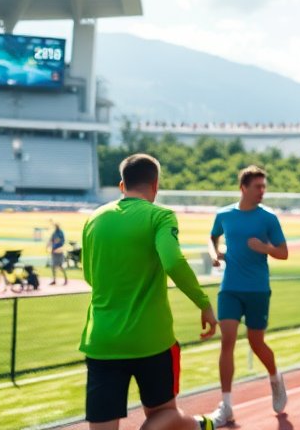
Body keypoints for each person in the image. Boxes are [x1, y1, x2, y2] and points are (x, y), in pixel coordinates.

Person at [80, 153, 218, 430]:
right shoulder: (160, 216)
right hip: (152, 340)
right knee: (164, 413)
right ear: (155, 185)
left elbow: (89, 276)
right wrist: (204, 303)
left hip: (103, 340)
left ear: (122, 185)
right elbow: (173, 262)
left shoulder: (94, 219)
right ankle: (201, 426)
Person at [207, 166, 289, 426]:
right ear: (243, 187)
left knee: (256, 342)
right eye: (257, 186)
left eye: (264, 186)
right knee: (227, 340)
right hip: (230, 287)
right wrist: (214, 254)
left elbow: (284, 253)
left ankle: (275, 378)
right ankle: (226, 405)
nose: (262, 191)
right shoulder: (224, 215)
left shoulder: (268, 218)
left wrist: (264, 247)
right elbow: (212, 237)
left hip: (257, 289)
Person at [48, 221, 68, 285]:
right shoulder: (54, 233)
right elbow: (51, 240)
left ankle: (65, 279)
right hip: (54, 251)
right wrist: (48, 246)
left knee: (60, 266)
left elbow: (61, 242)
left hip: (59, 252)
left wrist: (57, 248)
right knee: (53, 266)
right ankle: (54, 280)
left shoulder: (60, 233)